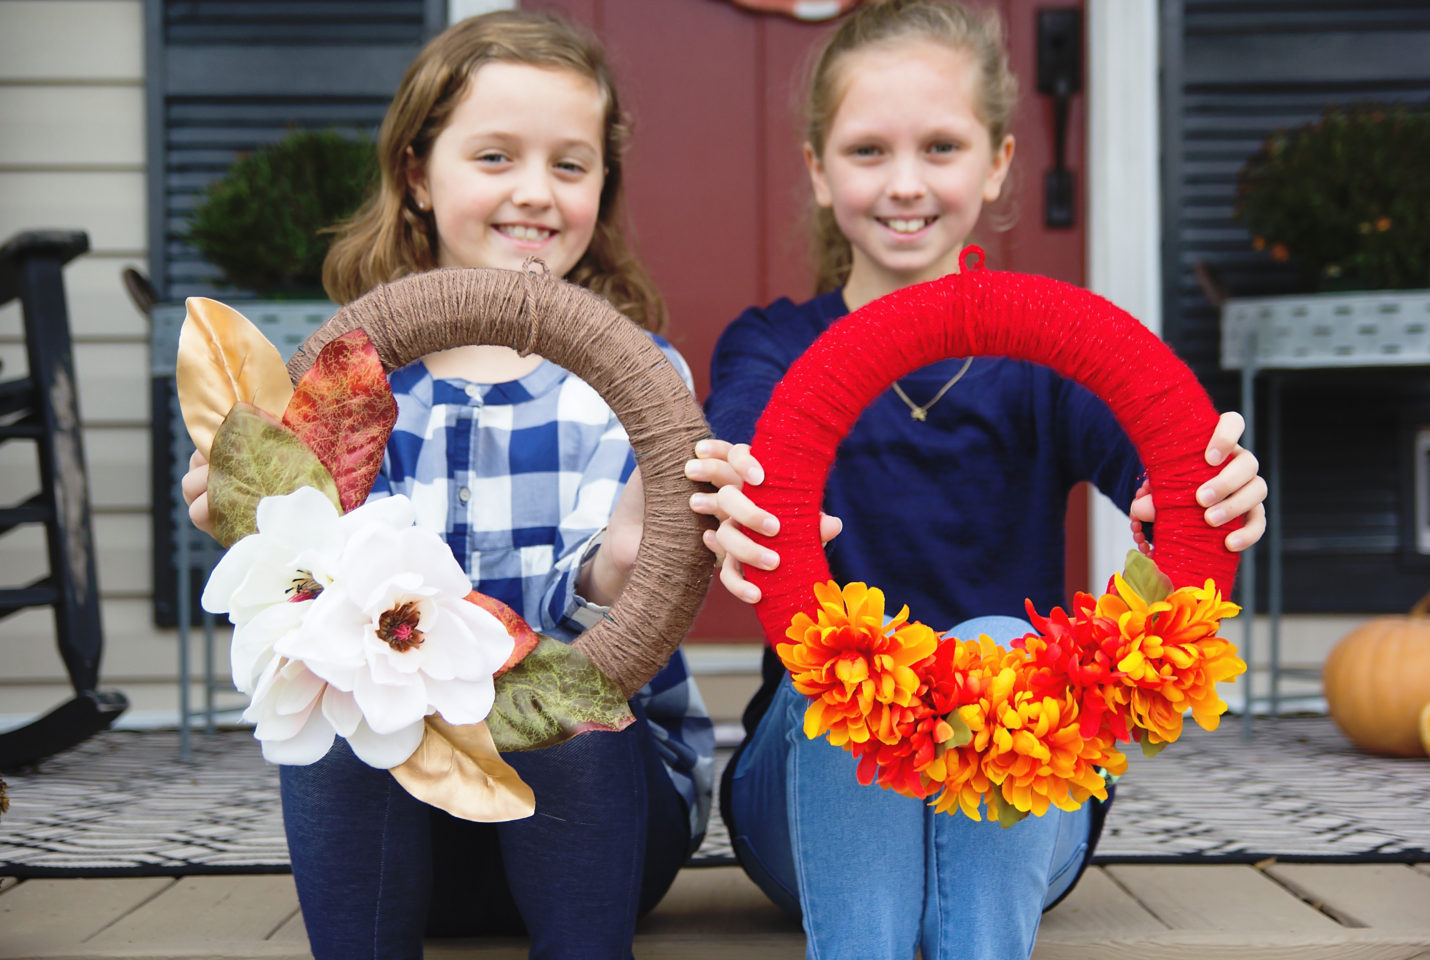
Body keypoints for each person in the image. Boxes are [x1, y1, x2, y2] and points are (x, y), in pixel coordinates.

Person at [683, 2, 1267, 958]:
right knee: (856, 671)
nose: (904, 183)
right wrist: (737, 478)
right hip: (813, 798)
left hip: (1020, 799)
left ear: (997, 162)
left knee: (997, 646)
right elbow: (749, 432)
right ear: (818, 170)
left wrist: (1205, 498)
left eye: (942, 147)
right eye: (868, 151)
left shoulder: (1049, 361)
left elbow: (1157, 460)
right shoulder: (773, 343)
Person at [181, 11, 713, 959]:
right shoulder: (350, 383)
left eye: (571, 164)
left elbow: (615, 615)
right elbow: (308, 584)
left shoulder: (639, 382)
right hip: (408, 817)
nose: (535, 193)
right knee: (329, 682)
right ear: (419, 176)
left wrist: (619, 566)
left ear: (603, 185)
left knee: (578, 694)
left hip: (604, 824)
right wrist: (258, 518)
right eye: (496, 157)